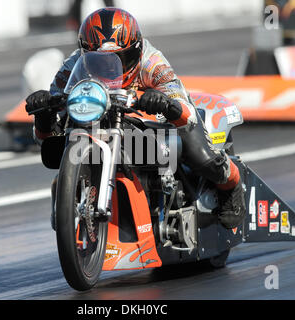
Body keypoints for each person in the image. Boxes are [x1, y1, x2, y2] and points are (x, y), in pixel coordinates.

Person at [25, 7, 246, 229]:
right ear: (85, 54)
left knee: (202, 156)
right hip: (102, 117)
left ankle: (232, 186)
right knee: (57, 144)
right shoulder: (73, 65)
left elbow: (185, 111)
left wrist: (164, 102)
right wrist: (44, 113)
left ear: (136, 49)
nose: (111, 68)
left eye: (120, 59)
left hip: (151, 118)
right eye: (99, 61)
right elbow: (47, 134)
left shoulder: (152, 62)